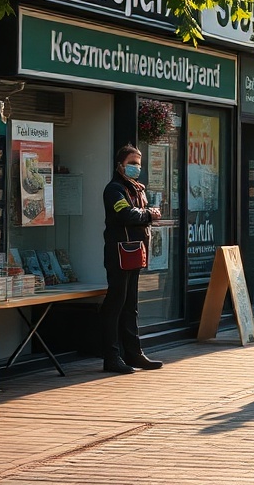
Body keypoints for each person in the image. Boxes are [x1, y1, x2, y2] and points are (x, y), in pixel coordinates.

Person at [100, 144, 163, 374]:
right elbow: (125, 213)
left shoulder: (137, 189)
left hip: (135, 253)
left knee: (131, 306)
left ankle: (134, 353)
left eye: (139, 163)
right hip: (119, 254)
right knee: (115, 304)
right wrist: (149, 214)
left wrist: (146, 214)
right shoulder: (114, 189)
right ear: (120, 165)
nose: (137, 167)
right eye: (132, 163)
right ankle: (112, 356)